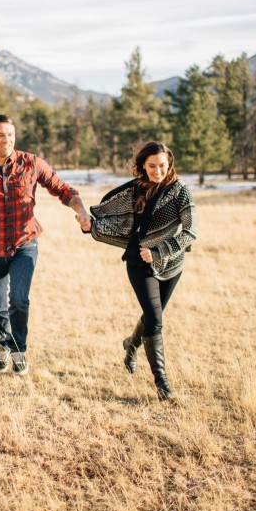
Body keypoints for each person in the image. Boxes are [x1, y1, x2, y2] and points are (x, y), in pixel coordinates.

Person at [0, 114, 91, 375]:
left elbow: (63, 189)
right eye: (0, 135)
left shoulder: (31, 163)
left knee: (19, 300)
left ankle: (19, 351)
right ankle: (2, 347)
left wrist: (81, 211)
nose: (7, 140)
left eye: (10, 134)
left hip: (25, 244)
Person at [82, 142, 196, 400]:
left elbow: (190, 232)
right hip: (139, 263)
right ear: (144, 165)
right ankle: (162, 384)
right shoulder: (135, 190)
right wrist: (91, 227)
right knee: (155, 321)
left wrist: (159, 252)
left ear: (170, 164)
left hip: (171, 264)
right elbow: (112, 219)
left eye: (162, 166)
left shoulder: (180, 192)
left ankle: (131, 345)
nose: (158, 171)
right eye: (152, 166)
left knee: (150, 316)